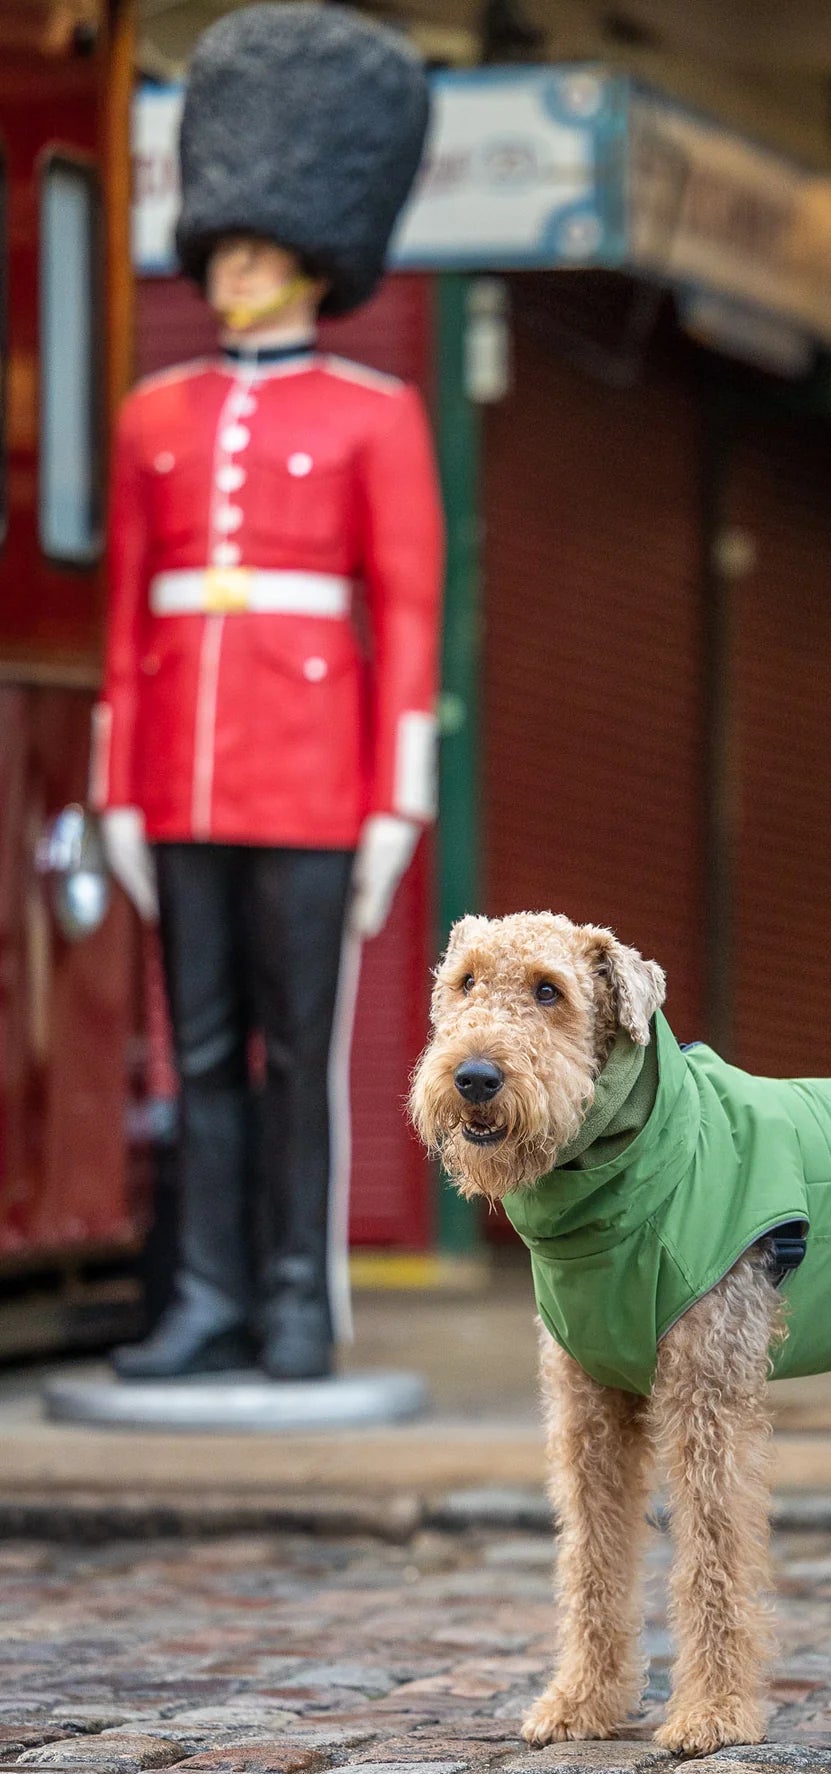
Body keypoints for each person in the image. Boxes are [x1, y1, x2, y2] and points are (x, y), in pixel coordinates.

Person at [93, 4, 442, 1380]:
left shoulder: (376, 413)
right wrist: (119, 781)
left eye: (249, 250)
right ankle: (210, 1298)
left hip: (311, 784)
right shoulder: (153, 416)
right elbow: (128, 614)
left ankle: (299, 1296)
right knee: (204, 1056)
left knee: (302, 1056)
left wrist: (397, 799)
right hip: (181, 772)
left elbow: (407, 614)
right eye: (221, 247)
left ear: (305, 260)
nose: (226, 270)